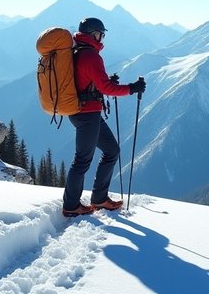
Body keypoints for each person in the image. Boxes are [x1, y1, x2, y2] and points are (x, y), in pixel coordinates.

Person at [62, 17, 147, 217]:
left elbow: (88, 82)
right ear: (93, 33)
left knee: (112, 150)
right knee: (82, 160)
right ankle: (71, 205)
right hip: (87, 114)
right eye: (101, 34)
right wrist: (131, 88)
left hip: (84, 112)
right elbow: (106, 88)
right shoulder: (91, 56)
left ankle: (99, 198)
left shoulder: (78, 52)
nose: (102, 38)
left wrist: (106, 81)